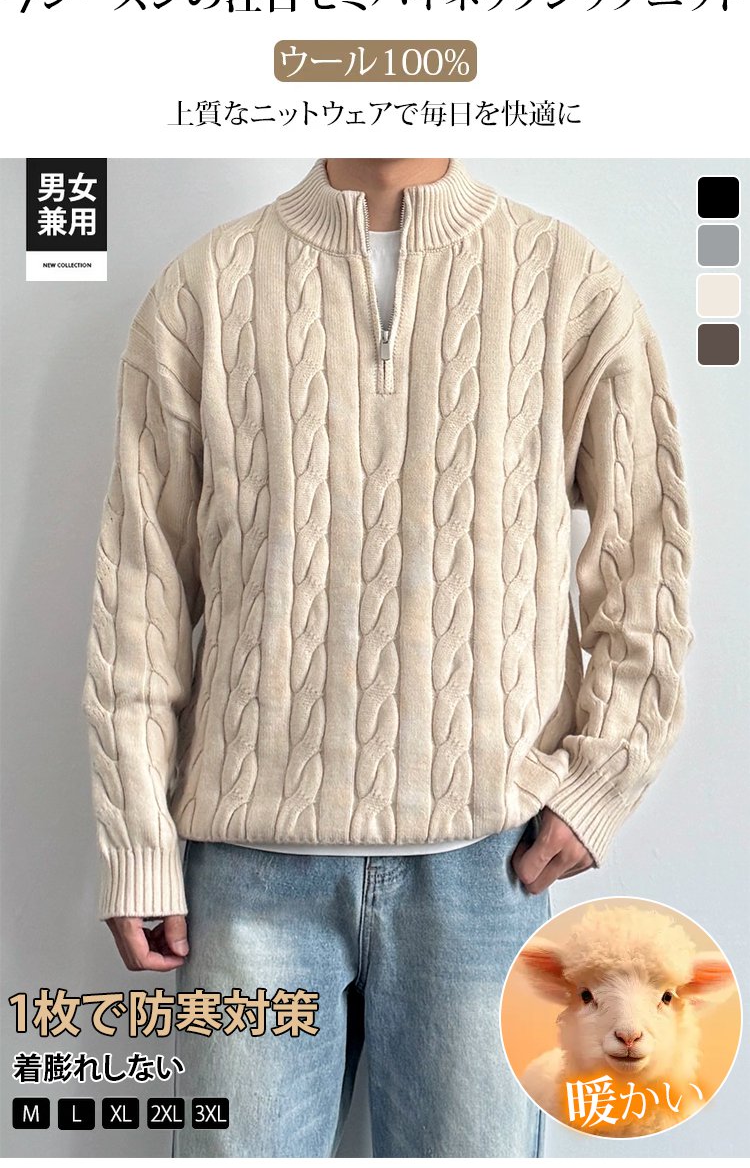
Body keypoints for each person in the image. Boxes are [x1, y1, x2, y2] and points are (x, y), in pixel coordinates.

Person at [81, 157, 694, 1157]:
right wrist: (137, 839)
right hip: (245, 873)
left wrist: (605, 776)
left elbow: (645, 555)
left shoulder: (566, 279)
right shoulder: (207, 286)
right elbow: (142, 587)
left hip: (487, 862)